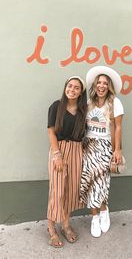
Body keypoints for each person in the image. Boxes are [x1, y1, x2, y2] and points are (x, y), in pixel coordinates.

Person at [80, 66, 124, 238]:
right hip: (88, 146)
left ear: (109, 86)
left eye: (105, 83)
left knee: (101, 182)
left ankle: (103, 211)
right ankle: (95, 217)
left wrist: (117, 149)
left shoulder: (115, 103)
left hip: (105, 146)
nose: (101, 86)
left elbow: (118, 127)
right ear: (95, 85)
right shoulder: (88, 103)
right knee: (90, 182)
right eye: (99, 82)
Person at [47, 76, 87, 248]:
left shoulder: (82, 112)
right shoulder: (56, 106)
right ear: (65, 87)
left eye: (76, 87)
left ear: (81, 92)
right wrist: (57, 155)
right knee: (57, 190)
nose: (72, 89)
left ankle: (65, 225)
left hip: (77, 150)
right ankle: (51, 228)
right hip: (60, 150)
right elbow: (51, 132)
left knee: (71, 190)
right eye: (70, 86)